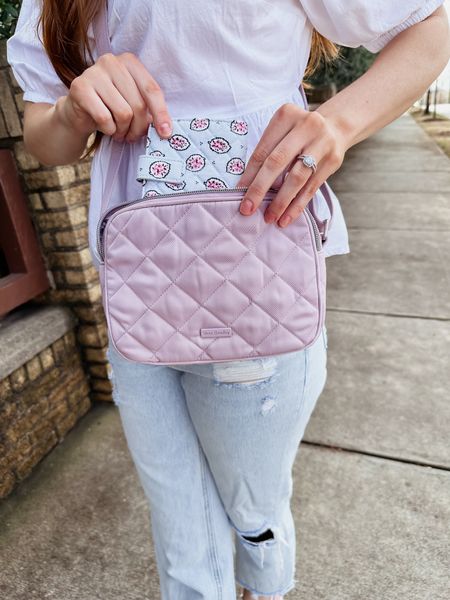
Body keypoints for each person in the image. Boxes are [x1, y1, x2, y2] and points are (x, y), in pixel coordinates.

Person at [7, 1, 450, 598]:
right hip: (136, 286)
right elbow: (44, 134)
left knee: (253, 508)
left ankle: (264, 586)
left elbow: (431, 22)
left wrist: (340, 122)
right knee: (180, 522)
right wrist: (73, 108)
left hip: (256, 276)